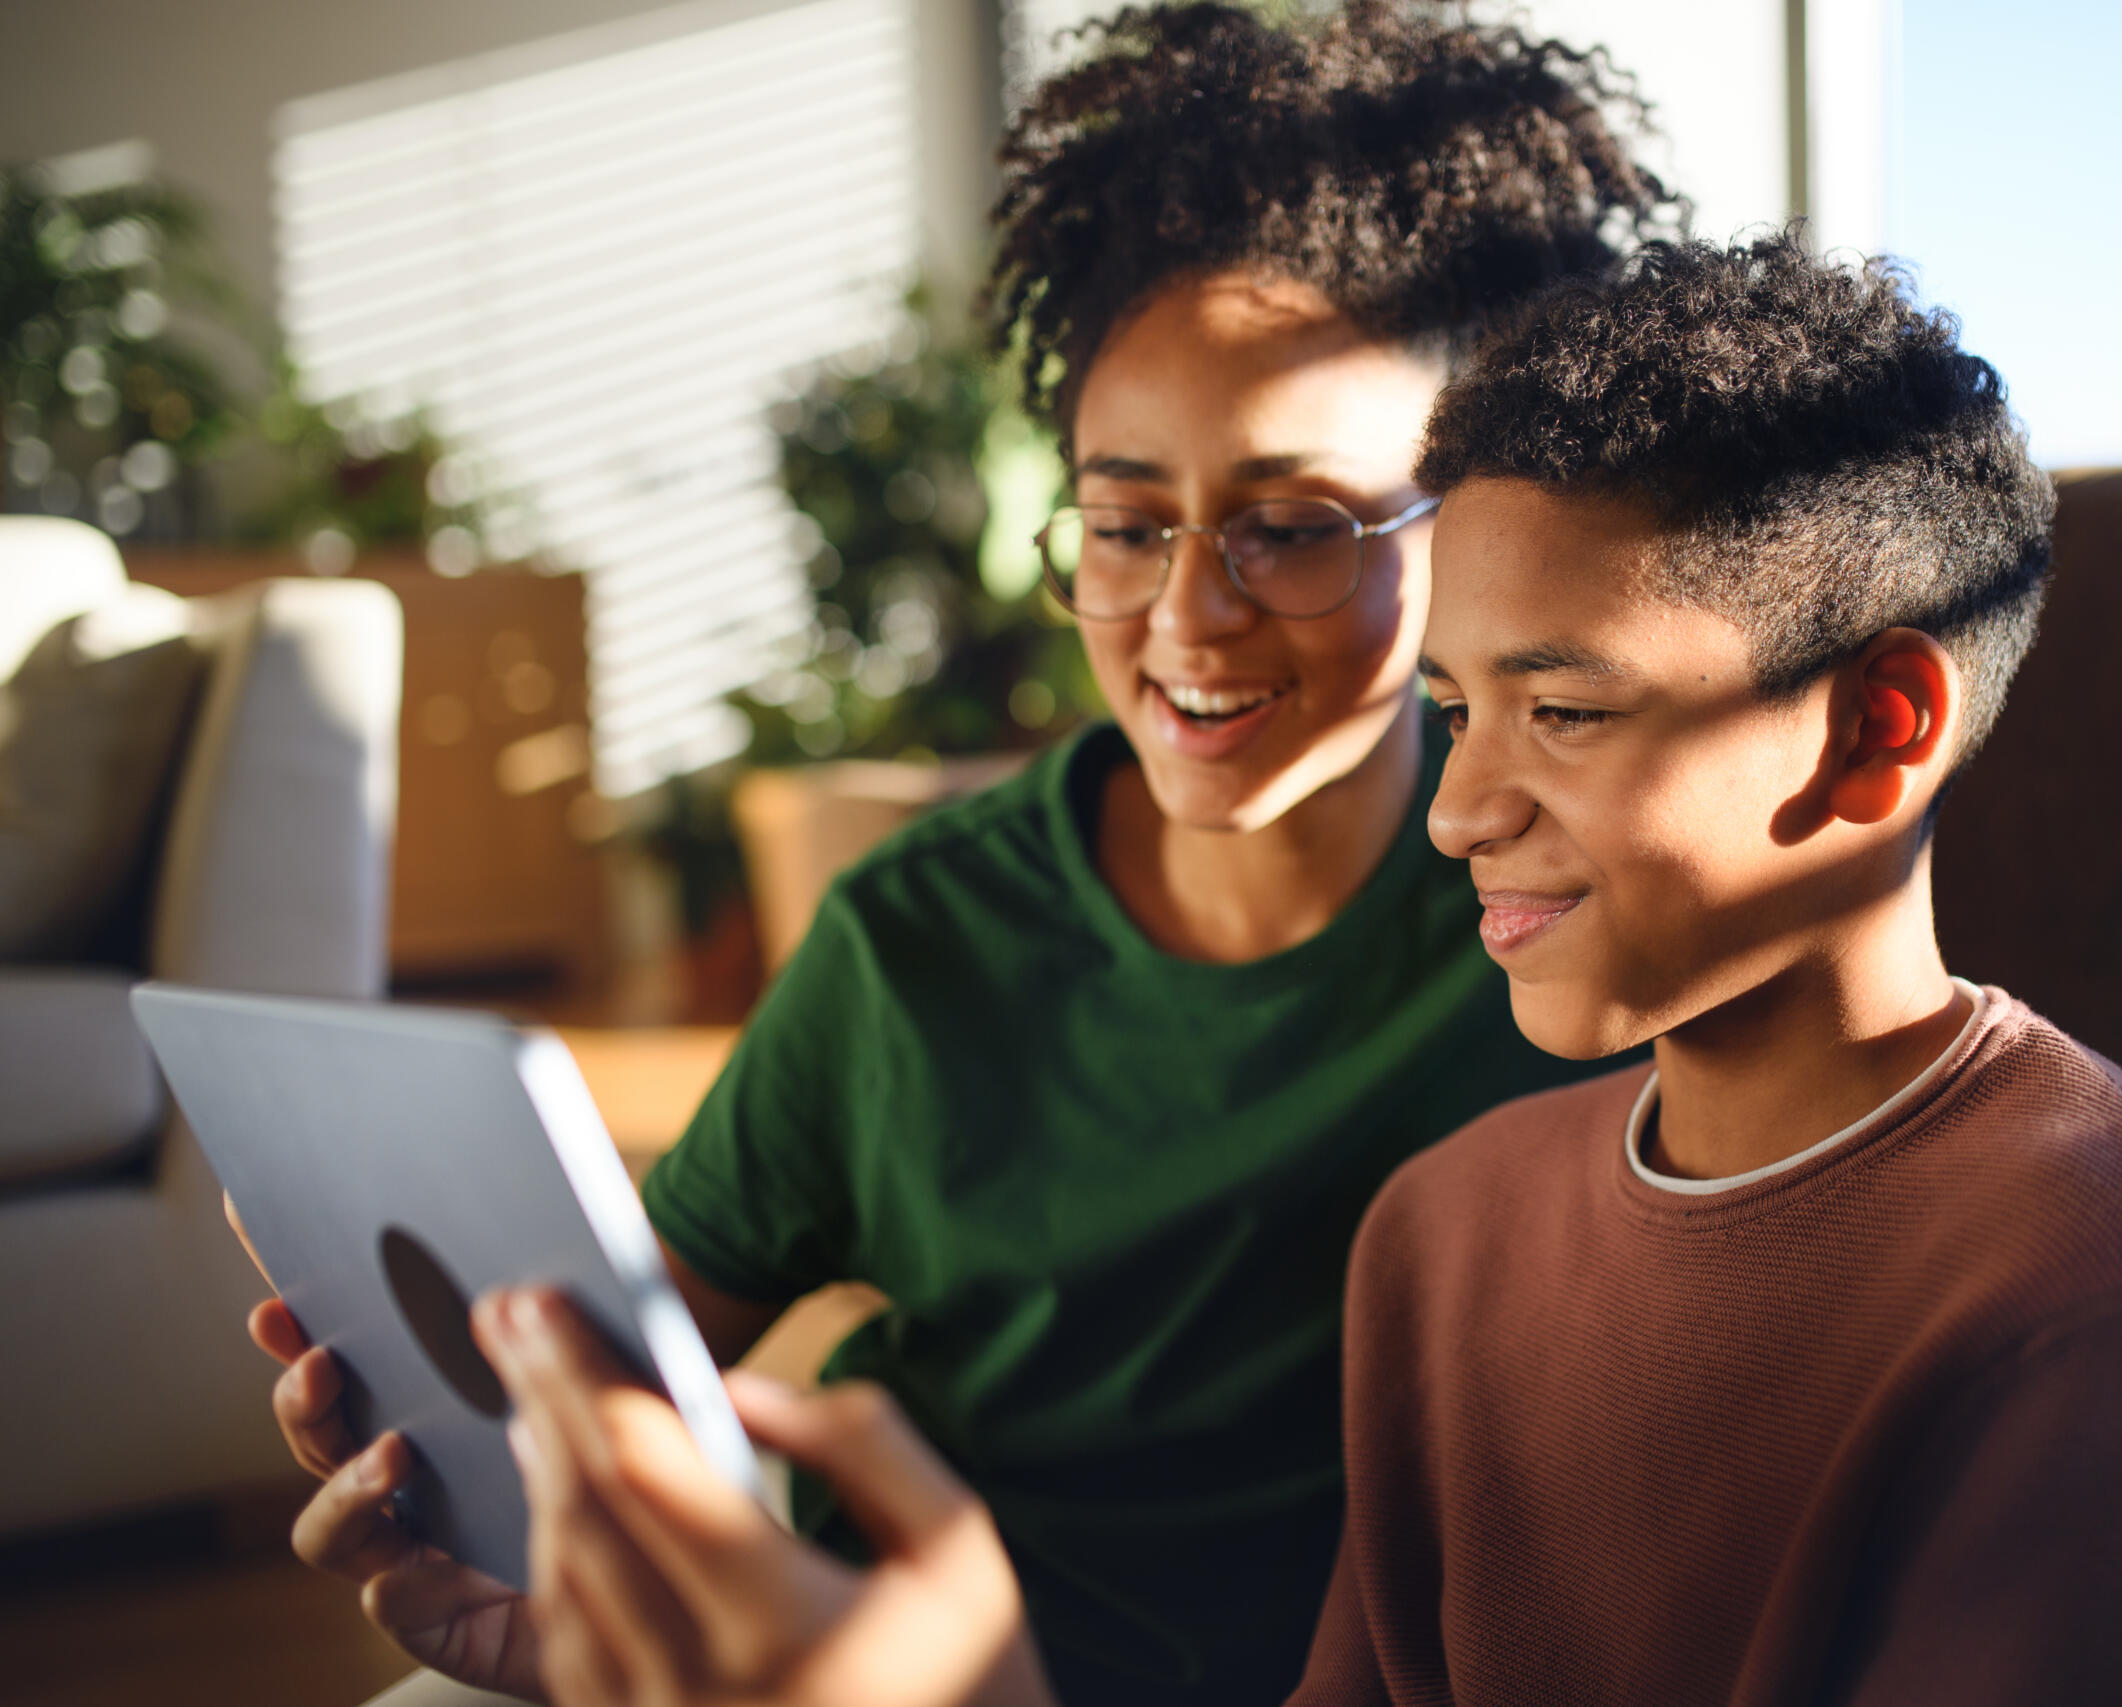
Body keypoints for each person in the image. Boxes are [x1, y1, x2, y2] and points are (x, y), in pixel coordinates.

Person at [470, 233, 2122, 1707]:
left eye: (1567, 708)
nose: (1460, 811)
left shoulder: (2090, 1298)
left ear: (1876, 733)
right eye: (1455, 706)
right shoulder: (1445, 1236)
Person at [242, 7, 1679, 1704]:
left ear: (1484, 517)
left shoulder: (1583, 910)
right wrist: (477, 1455)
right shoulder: (916, 939)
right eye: (1130, 523)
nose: (1187, 617)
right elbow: (649, 1349)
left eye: (1293, 529)